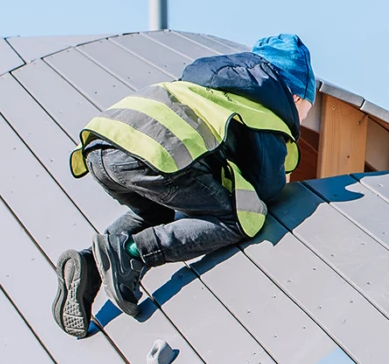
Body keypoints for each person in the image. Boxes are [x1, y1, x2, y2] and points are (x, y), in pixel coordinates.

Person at [50, 34, 315, 338]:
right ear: (294, 97)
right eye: (305, 112)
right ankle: (132, 254)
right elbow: (267, 188)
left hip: (102, 145)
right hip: (152, 155)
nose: (300, 122)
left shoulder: (214, 84)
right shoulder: (267, 111)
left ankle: (88, 264)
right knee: (240, 219)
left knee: (160, 212)